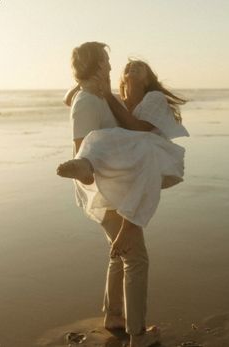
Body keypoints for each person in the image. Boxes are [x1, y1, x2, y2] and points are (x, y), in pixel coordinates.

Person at [57, 41, 189, 347]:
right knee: (136, 257)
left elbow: (128, 128)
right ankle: (137, 335)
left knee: (121, 254)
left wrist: (86, 87)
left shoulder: (101, 97)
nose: (113, 65)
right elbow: (83, 147)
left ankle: (114, 316)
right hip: (106, 189)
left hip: (122, 184)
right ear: (99, 65)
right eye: (106, 59)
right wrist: (87, 168)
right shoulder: (89, 101)